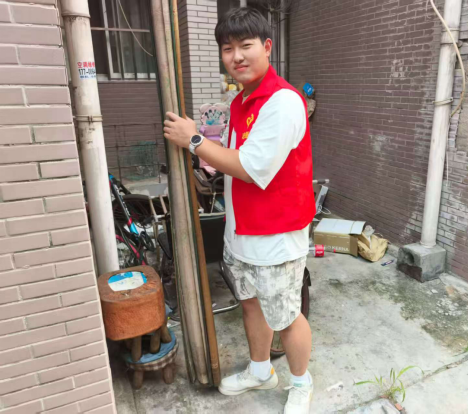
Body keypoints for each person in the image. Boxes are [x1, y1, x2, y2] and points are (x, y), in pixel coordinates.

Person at [163, 7, 316, 414]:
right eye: (227, 49)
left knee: (286, 315)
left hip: (277, 234)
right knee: (250, 303)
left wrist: (194, 140)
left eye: (245, 46)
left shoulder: (283, 102)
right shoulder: (241, 101)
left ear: (267, 47)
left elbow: (250, 167)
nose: (236, 56)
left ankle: (301, 383)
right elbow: (231, 158)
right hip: (242, 228)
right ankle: (261, 370)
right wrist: (205, 146)